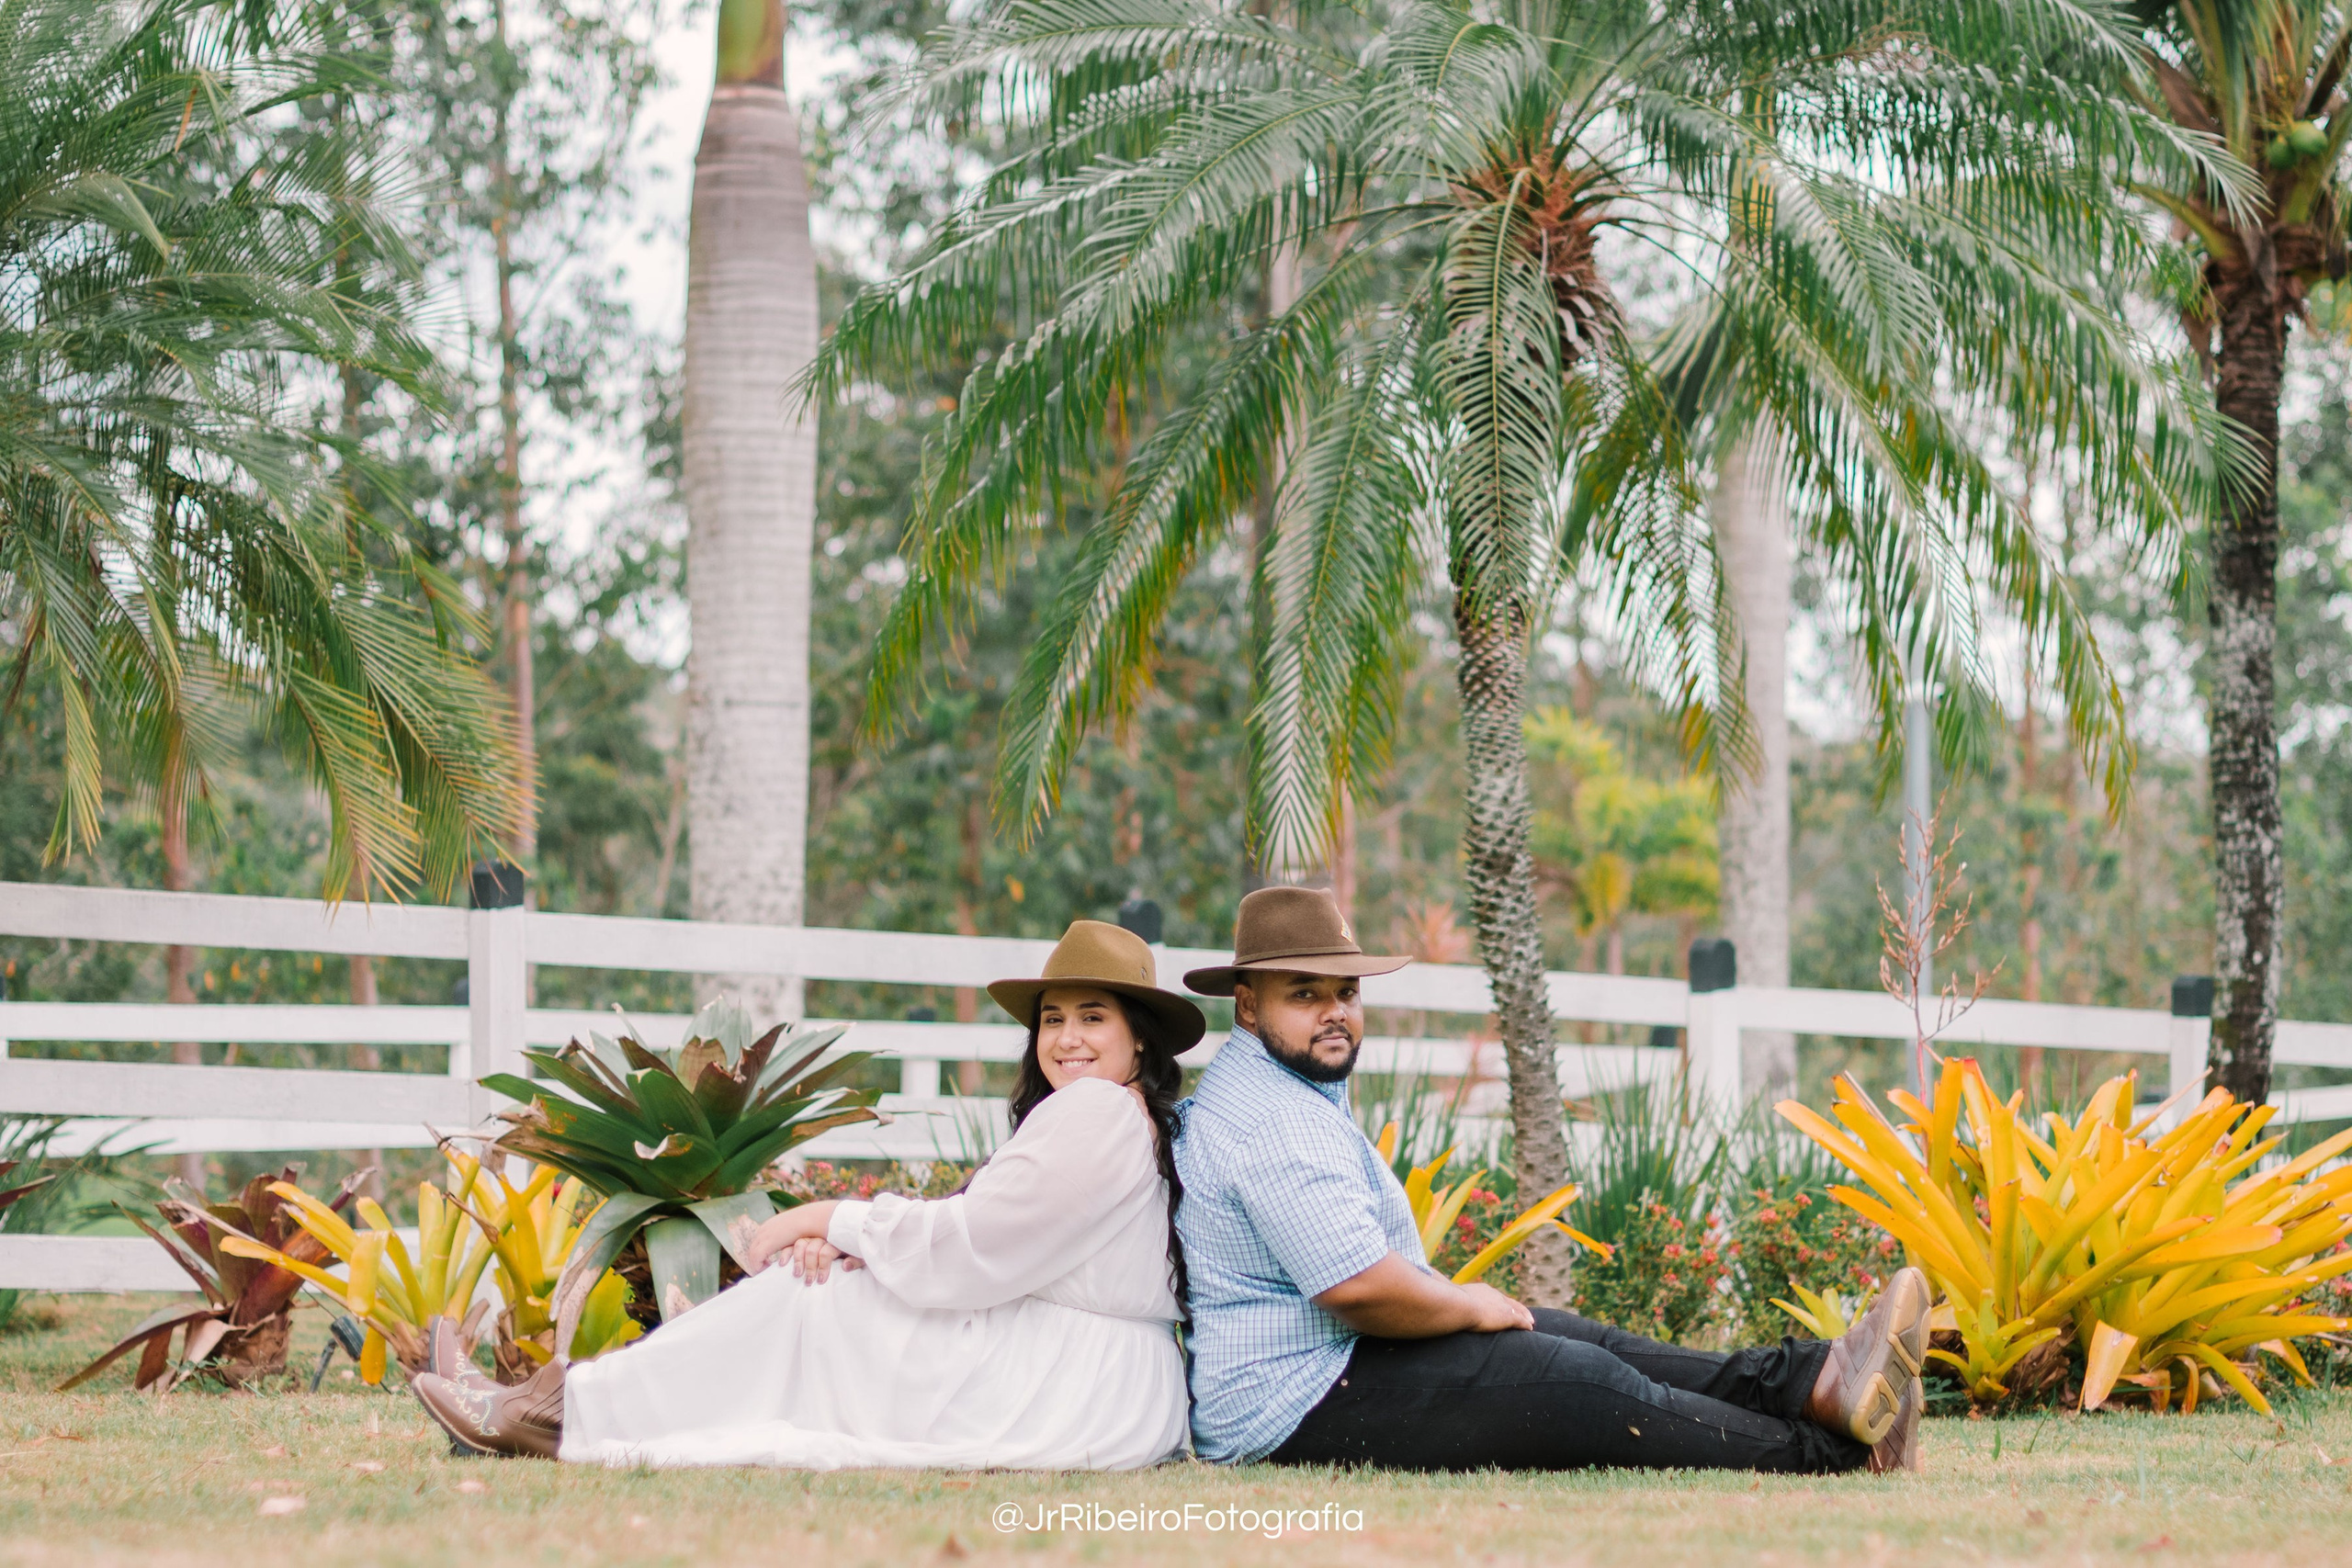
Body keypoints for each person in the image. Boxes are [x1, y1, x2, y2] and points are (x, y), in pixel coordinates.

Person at [1173, 886, 1928, 1475]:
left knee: (1571, 1334)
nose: (1334, 1011)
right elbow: (1359, 1287)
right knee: (1578, 1383)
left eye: (1346, 991)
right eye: (1304, 993)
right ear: (1249, 1004)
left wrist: (1474, 1307)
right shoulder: (1272, 1116)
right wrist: (1467, 1302)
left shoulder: (1282, 1082)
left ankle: (1818, 1377)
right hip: (1292, 1403)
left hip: (1333, 1361)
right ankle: (1835, 1451)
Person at [408, 919, 1200, 1471]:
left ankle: (562, 1410)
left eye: (1092, 1017)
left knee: (804, 1295)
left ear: (1139, 1036)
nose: (1067, 1038)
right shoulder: (1122, 1118)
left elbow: (977, 1243)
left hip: (1057, 1386)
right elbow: (996, 1240)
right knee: (821, 1295)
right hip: (1095, 1386)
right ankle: (557, 1398)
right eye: (1052, 1018)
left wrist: (832, 1218)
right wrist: (859, 1245)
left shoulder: (1097, 1111)